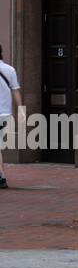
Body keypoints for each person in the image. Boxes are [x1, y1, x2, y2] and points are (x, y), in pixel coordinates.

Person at [0, 45, 21, 189]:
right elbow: (15, 90)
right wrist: (21, 110)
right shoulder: (9, 69)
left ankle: (1, 176)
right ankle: (1, 176)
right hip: (5, 114)